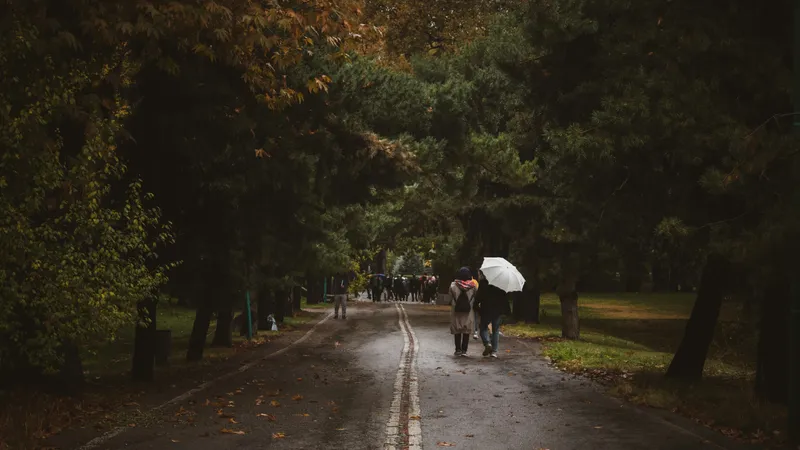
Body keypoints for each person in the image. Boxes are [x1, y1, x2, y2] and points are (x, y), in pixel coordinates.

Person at [475, 274, 508, 358]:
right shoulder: (501, 283)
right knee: (495, 329)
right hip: (497, 310)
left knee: (483, 328)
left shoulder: (483, 283)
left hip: (486, 309)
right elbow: (504, 297)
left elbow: (479, 296)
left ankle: (487, 343)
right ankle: (494, 351)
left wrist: (476, 306)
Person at [449, 267, 478, 356]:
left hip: (456, 310)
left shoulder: (453, 285)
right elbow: (475, 297)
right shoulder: (473, 286)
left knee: (457, 330)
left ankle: (458, 349)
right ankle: (464, 350)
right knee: (466, 330)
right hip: (468, 311)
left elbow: (450, 297)